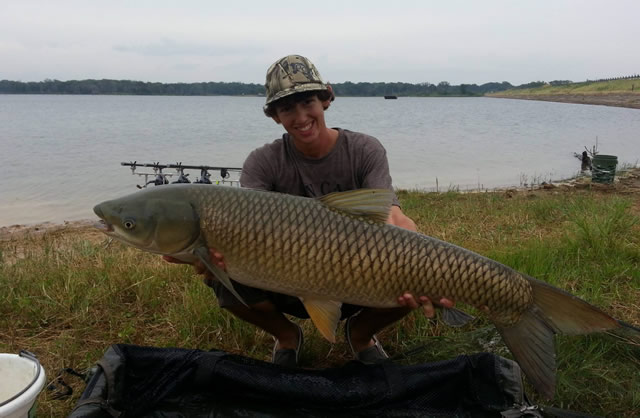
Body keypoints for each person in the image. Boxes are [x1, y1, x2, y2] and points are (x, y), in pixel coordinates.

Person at [167, 54, 453, 367]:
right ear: (275, 116)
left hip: (360, 277)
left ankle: (360, 335)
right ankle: (287, 337)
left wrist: (416, 256)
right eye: (287, 108)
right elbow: (244, 227)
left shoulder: (364, 149)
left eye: (308, 102)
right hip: (284, 276)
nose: (301, 116)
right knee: (221, 279)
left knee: (415, 270)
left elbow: (391, 216)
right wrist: (205, 254)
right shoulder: (262, 162)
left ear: (326, 100)